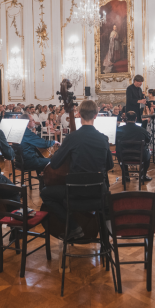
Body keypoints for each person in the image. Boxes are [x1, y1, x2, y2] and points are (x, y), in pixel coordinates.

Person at [40, 100, 114, 240]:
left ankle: (74, 227)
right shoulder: (103, 138)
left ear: (79, 114)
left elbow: (54, 164)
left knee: (46, 193)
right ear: (96, 115)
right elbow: (109, 165)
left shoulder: (72, 138)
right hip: (99, 192)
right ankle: (106, 239)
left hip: (75, 193)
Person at [116, 110, 151, 182]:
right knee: (148, 153)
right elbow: (148, 140)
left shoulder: (119, 130)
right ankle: (143, 175)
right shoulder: (142, 130)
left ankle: (126, 176)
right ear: (136, 118)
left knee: (119, 151)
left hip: (124, 156)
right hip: (140, 156)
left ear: (126, 118)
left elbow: (115, 142)